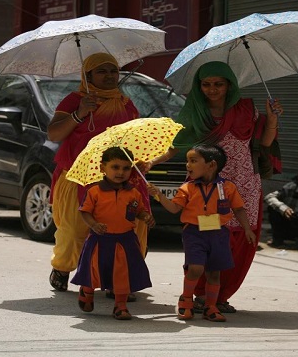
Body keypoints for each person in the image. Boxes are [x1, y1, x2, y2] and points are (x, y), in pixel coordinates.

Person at [148, 61, 283, 313]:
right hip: (205, 189)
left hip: (244, 185)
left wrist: (272, 120)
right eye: (206, 84)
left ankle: (220, 297)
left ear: (229, 85)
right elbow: (177, 145)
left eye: (218, 84)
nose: (212, 89)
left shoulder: (247, 109)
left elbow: (265, 142)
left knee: (240, 241)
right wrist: (152, 162)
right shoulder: (194, 112)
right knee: (207, 238)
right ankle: (200, 295)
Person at [46, 52, 150, 298]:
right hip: (78, 175)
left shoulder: (126, 104)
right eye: (101, 71)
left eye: (113, 70)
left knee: (131, 228)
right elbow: (54, 134)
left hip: (120, 178)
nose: (109, 76)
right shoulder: (75, 100)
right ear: (88, 75)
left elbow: (132, 139)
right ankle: (62, 268)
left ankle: (121, 278)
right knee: (74, 230)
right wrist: (79, 113)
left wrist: (140, 160)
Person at [147, 145, 255, 322]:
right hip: (194, 233)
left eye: (193, 161)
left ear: (211, 165)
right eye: (188, 161)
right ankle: (186, 300)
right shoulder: (187, 188)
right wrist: (158, 195)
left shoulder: (227, 187)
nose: (188, 165)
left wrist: (247, 229)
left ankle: (210, 307)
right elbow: (174, 208)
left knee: (214, 273)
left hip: (219, 234)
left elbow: (239, 209)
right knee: (196, 268)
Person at [72, 147, 155, 320]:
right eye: (115, 167)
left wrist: (146, 216)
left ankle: (120, 306)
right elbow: (85, 211)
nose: (120, 172)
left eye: (126, 168)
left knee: (122, 273)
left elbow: (138, 210)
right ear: (103, 168)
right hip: (99, 239)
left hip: (125, 240)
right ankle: (87, 291)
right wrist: (94, 225)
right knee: (94, 271)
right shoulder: (94, 191)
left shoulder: (133, 192)